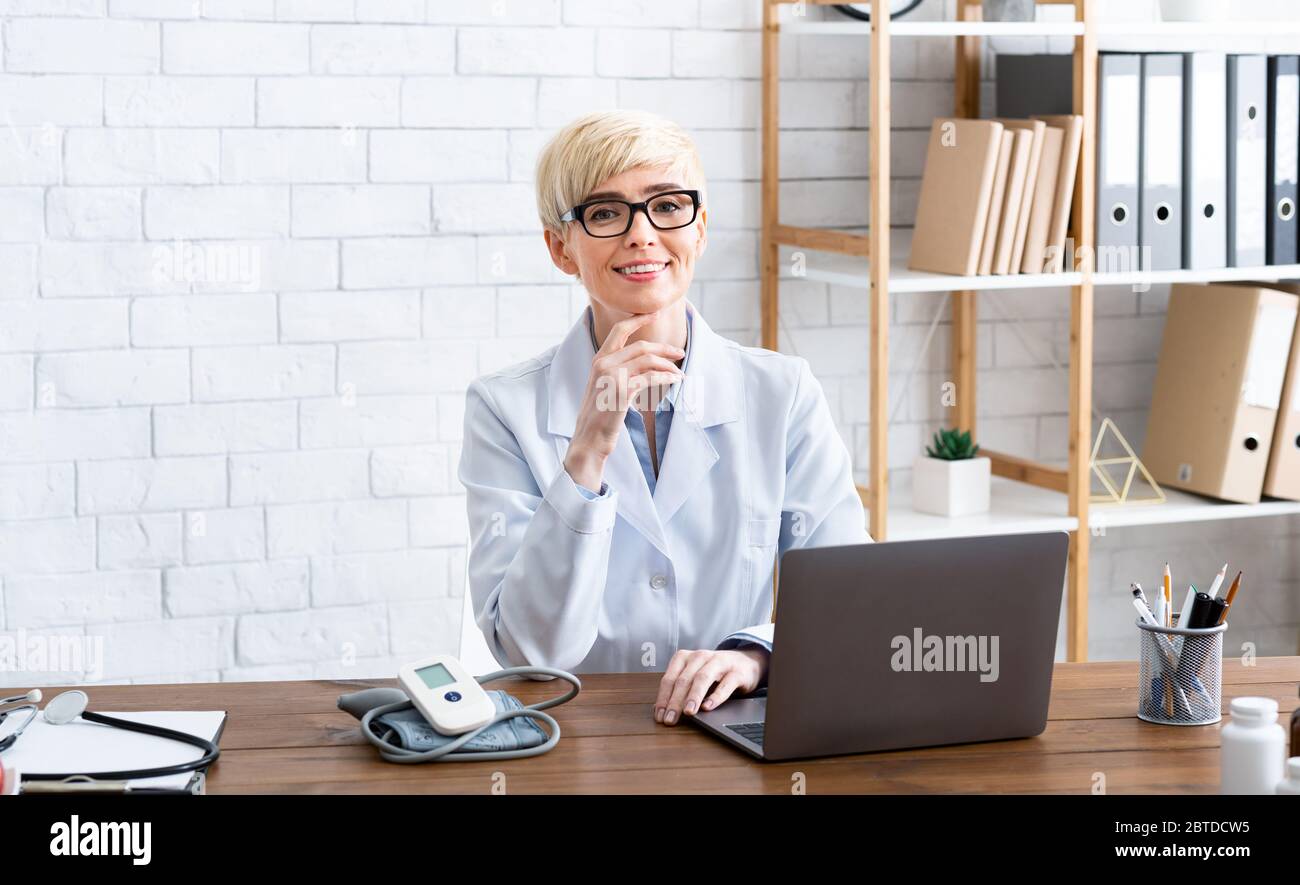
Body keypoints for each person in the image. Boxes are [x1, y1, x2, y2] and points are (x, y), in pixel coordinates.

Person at [458, 109, 871, 729]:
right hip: (574, 739)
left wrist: (757, 654)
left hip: (735, 727)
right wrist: (588, 447)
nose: (642, 235)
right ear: (560, 248)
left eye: (667, 206)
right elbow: (530, 655)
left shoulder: (782, 393)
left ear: (699, 229)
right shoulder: (503, 408)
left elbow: (851, 595)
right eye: (604, 213)